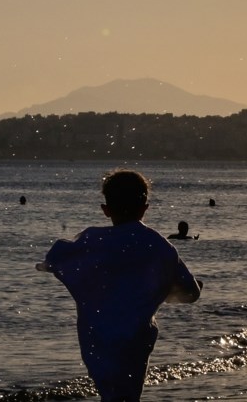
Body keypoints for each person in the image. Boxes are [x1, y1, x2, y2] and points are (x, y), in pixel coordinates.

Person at [37, 170, 202, 402]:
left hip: (96, 337)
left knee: (110, 393)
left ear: (106, 209)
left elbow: (56, 258)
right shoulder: (158, 245)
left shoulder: (93, 240)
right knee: (128, 394)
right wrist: (169, 289)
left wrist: (49, 267)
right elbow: (190, 293)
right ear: (146, 207)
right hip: (136, 338)